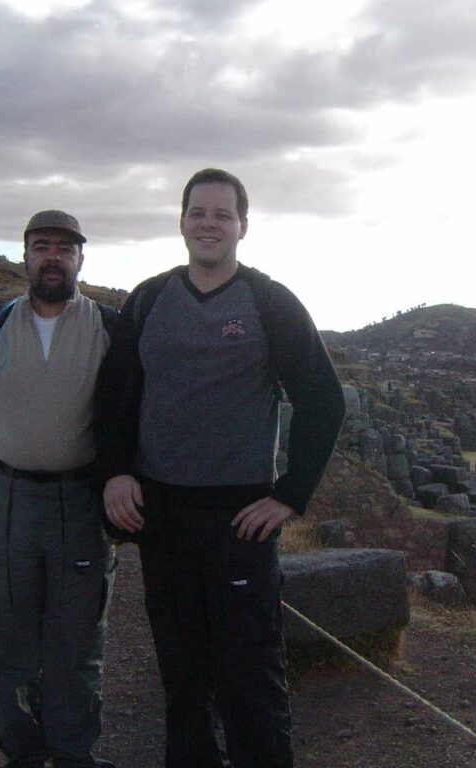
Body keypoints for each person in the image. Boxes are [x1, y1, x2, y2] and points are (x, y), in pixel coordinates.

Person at [96, 168, 346, 768]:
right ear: (181, 221)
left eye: (222, 214)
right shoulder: (150, 298)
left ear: (243, 226)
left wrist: (290, 495)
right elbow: (115, 395)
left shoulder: (269, 302)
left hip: (241, 519)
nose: (209, 224)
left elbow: (323, 399)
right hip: (162, 515)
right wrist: (115, 471)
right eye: (198, 213)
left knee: (250, 674)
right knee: (182, 674)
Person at [0, 210, 116, 768]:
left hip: (81, 503)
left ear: (81, 258)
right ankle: (24, 754)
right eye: (42, 247)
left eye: (64, 248)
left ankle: (74, 754)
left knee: (78, 641)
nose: (53, 257)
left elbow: (133, 418)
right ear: (26, 256)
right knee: (8, 636)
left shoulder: (109, 327)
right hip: (6, 500)